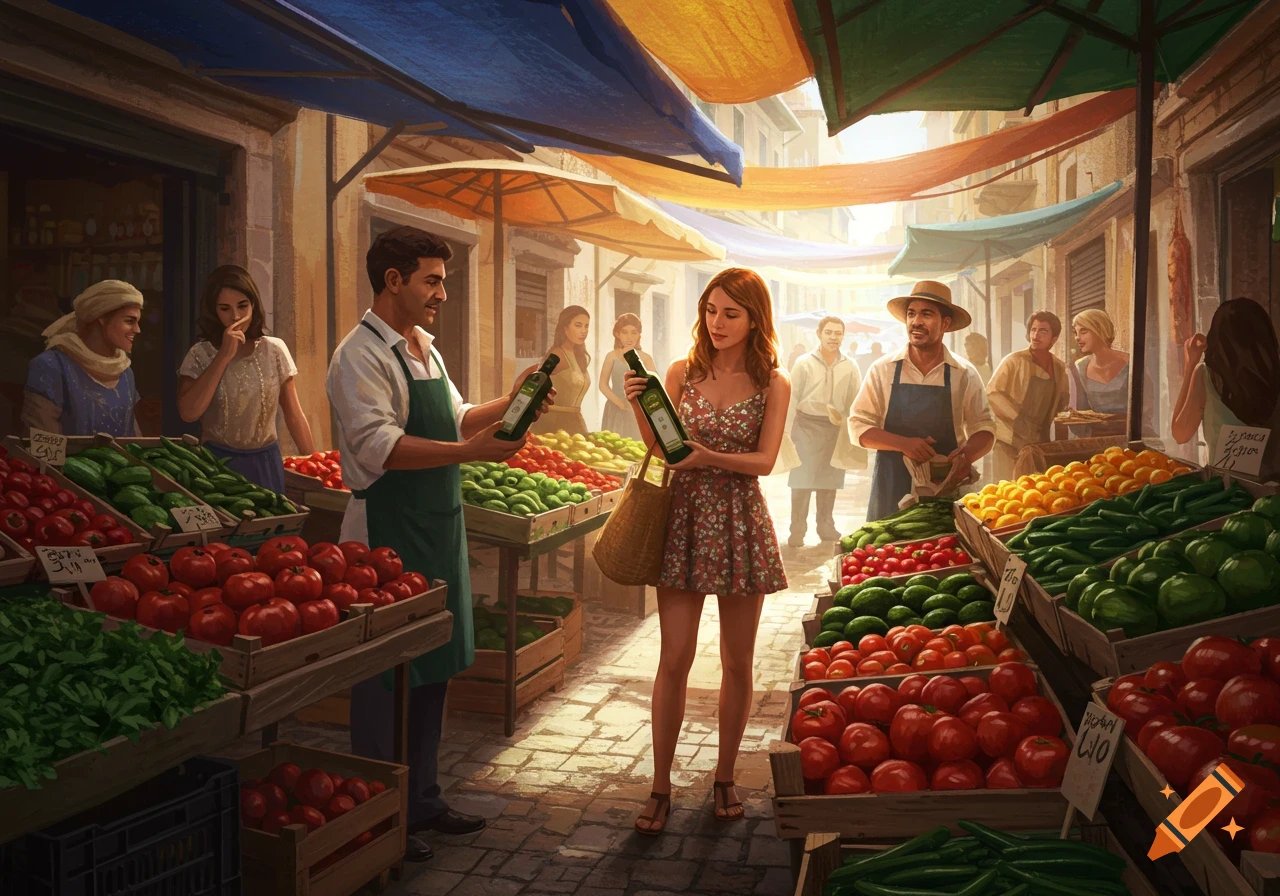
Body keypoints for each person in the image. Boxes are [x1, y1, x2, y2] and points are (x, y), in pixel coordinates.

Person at [325, 226, 553, 864]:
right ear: (393, 280)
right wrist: (469, 453)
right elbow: (377, 445)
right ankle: (379, 813)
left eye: (444, 281)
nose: (442, 295)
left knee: (433, 668)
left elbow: (455, 415)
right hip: (386, 536)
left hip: (438, 525)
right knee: (385, 677)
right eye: (432, 280)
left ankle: (422, 798)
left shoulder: (423, 346)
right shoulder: (358, 355)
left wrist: (514, 400)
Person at [621, 267, 790, 835]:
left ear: (754, 319)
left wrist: (707, 457)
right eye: (711, 309)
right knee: (675, 657)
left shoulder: (774, 382)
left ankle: (724, 777)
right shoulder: (680, 372)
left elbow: (765, 463)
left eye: (731, 313)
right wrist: (641, 407)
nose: (716, 322)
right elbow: (663, 451)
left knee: (738, 662)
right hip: (685, 519)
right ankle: (661, 786)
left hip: (740, 520)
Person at [851, 280, 996, 521]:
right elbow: (858, 426)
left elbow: (985, 427)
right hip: (890, 484)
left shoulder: (964, 373)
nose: (916, 322)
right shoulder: (883, 369)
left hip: (944, 488)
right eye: (911, 314)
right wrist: (904, 444)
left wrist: (965, 457)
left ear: (945, 323)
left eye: (926, 314)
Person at [177, 265, 314, 494]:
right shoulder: (200, 355)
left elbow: (293, 414)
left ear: (254, 305)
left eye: (243, 306)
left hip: (265, 463)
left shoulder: (275, 350)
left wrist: (313, 464)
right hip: (217, 466)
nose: (236, 317)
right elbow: (188, 412)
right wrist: (224, 356)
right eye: (225, 309)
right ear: (214, 311)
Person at [1171, 298, 1280, 477]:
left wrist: (1190, 365)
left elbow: (1180, 434)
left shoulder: (1206, 376)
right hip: (1274, 494)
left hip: (1229, 493)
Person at [22, 280, 143, 437]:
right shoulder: (51, 366)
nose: (137, 330)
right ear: (101, 318)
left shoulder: (126, 373)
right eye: (129, 321)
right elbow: (43, 441)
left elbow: (133, 437)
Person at [785, 316, 863, 547]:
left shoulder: (850, 365)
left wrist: (851, 428)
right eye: (829, 332)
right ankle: (797, 529)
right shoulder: (803, 362)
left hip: (835, 429)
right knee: (802, 478)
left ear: (843, 336)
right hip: (806, 426)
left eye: (838, 333)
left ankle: (825, 526)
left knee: (830, 478)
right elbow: (792, 397)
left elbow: (854, 399)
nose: (833, 337)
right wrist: (786, 431)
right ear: (819, 334)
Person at [986, 312, 1070, 481]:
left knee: (1034, 492)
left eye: (1043, 331)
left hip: (1039, 444)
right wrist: (1018, 419)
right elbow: (993, 393)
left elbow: (1062, 402)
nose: (1036, 335)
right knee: (1005, 493)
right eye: (1033, 330)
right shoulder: (1013, 360)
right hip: (1008, 443)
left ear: (1054, 338)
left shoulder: (1059, 368)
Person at [1068, 309, 1156, 438]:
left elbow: (1146, 413)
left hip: (1133, 438)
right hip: (1097, 441)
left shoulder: (1134, 363)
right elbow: (1078, 418)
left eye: (1083, 331)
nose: (1077, 337)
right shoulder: (1078, 368)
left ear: (1100, 330)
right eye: (1076, 332)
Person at [531, 305, 591, 435]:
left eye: (586, 326)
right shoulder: (556, 355)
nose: (583, 331)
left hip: (576, 424)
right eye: (578, 325)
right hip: (552, 426)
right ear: (565, 327)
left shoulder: (579, 356)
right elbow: (535, 384)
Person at [597, 312, 652, 439]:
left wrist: (640, 406)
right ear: (617, 334)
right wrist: (619, 403)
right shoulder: (611, 356)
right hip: (615, 409)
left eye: (634, 332)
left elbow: (653, 386)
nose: (629, 337)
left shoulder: (646, 358)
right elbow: (602, 384)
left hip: (638, 411)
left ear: (639, 335)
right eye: (624, 332)